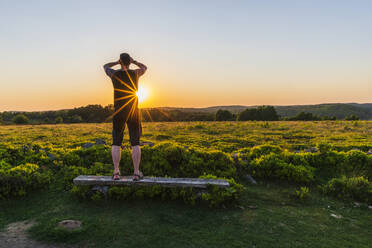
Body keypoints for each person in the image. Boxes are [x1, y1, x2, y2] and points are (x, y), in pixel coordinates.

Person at [103, 53, 147, 181]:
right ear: (129, 61)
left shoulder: (114, 74)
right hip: (133, 110)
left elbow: (105, 66)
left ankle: (116, 172)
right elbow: (145, 67)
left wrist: (117, 63)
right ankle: (136, 173)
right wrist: (135, 62)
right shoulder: (135, 73)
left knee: (116, 142)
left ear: (121, 61)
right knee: (135, 143)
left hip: (118, 111)